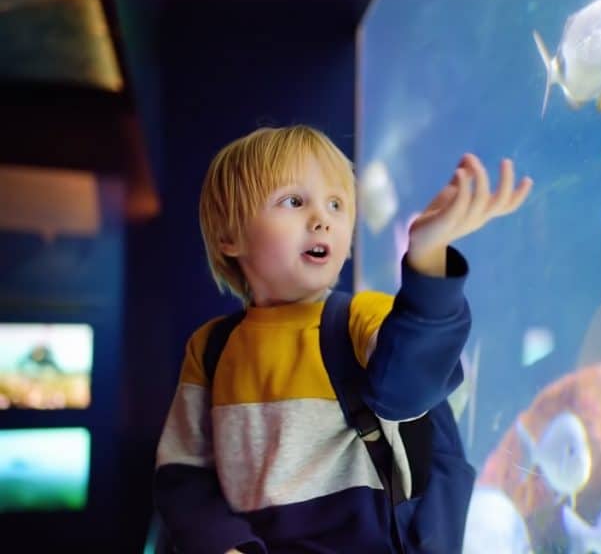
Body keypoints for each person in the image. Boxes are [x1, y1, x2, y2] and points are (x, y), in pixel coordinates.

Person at [153, 124, 532, 554]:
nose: (321, 219)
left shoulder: (359, 316)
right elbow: (183, 474)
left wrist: (427, 257)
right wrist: (223, 544)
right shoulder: (210, 349)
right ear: (229, 238)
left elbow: (409, 388)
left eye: (336, 204)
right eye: (293, 201)